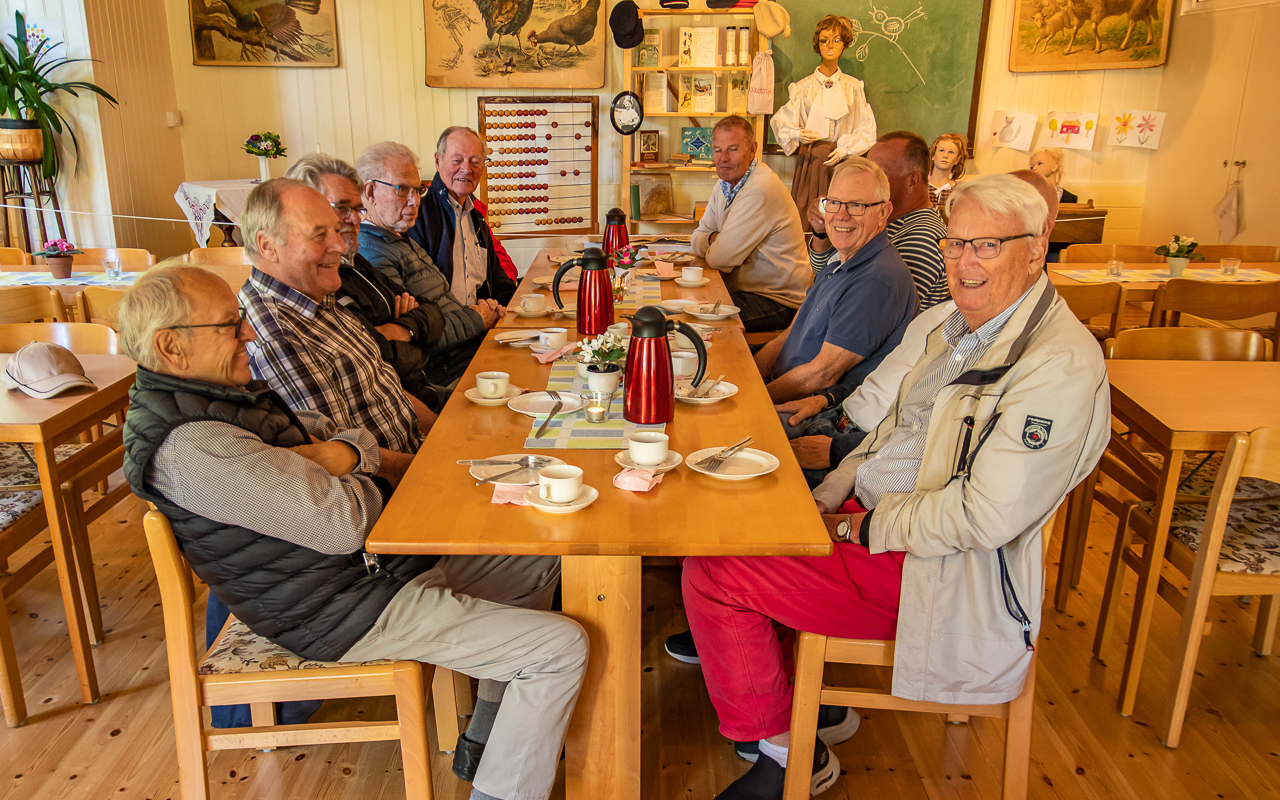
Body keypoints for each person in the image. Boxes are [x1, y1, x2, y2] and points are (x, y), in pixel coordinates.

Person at [679, 174, 1110, 800]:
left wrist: (853, 526)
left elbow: (984, 519)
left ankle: (788, 754)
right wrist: (825, 498)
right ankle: (814, 706)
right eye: (955, 244)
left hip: (942, 574)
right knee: (742, 521)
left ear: (1036, 249)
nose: (963, 263)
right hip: (881, 524)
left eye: (987, 246)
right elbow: (885, 433)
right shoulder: (955, 325)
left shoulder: (1058, 365)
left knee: (715, 572)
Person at [118, 265, 585, 800]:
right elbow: (342, 522)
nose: (248, 332)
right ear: (171, 346)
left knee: (536, 553)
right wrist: (363, 472)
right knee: (558, 649)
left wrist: (340, 457)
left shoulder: (217, 397)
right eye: (229, 324)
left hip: (365, 572)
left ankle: (486, 740)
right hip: (335, 608)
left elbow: (333, 432)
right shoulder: (191, 445)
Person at [238, 178, 430, 474]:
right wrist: (432, 467)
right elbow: (347, 461)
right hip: (397, 487)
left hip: (420, 455)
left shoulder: (316, 295)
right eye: (319, 236)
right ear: (268, 246)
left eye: (337, 231)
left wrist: (444, 432)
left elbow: (387, 389)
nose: (340, 246)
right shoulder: (275, 335)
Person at [284, 153, 452, 407]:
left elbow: (433, 311)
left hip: (419, 391)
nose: (355, 219)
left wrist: (402, 329)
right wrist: (416, 338)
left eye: (357, 209)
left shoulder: (354, 260)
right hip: (405, 399)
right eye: (342, 208)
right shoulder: (321, 280)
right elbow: (377, 360)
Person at [752, 157, 917, 405]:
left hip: (810, 410)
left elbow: (821, 375)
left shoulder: (875, 279)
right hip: (780, 389)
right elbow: (785, 338)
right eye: (834, 203)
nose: (840, 215)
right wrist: (748, 380)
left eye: (856, 205)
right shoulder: (840, 260)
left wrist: (754, 402)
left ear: (883, 212)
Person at [355, 141, 503, 384]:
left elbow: (435, 311)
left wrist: (481, 312)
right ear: (370, 192)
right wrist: (477, 319)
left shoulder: (400, 239)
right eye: (402, 189)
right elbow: (412, 335)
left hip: (468, 349)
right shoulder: (371, 253)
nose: (415, 201)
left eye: (417, 190)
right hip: (447, 373)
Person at [691, 115, 812, 332]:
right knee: (689, 308)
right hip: (747, 292)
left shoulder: (759, 188)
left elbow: (719, 259)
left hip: (779, 301)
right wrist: (714, 239)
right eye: (717, 150)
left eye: (733, 149)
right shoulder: (723, 184)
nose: (723, 158)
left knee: (699, 322)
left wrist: (720, 249)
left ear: (752, 149)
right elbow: (696, 238)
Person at [809, 130, 948, 309]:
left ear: (912, 181)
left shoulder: (920, 240)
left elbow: (864, 308)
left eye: (880, 173)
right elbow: (825, 274)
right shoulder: (882, 220)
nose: (866, 180)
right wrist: (821, 233)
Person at [770, 14, 877, 231]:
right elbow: (780, 121)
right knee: (809, 217)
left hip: (843, 161)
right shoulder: (803, 88)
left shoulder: (853, 88)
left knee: (843, 217)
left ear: (844, 44)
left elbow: (867, 130)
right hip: (811, 161)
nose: (830, 45)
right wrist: (796, 133)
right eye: (824, 40)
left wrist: (845, 149)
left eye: (836, 40)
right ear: (817, 44)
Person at [407, 126, 517, 306]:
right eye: (457, 160)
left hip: (481, 318)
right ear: (438, 161)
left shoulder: (477, 217)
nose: (466, 169)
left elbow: (498, 283)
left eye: (475, 162)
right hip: (445, 321)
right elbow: (419, 293)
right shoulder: (418, 213)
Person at [1028, 148, 1075, 262]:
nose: (1034, 168)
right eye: (1032, 166)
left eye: (1040, 163)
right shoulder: (1028, 195)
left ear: (1054, 167)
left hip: (1057, 249)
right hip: (1033, 248)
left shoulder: (1070, 198)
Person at [927, 132, 968, 210]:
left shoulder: (960, 191)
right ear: (933, 155)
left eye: (951, 152)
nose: (945, 155)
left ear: (957, 159)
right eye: (941, 150)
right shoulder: (920, 189)